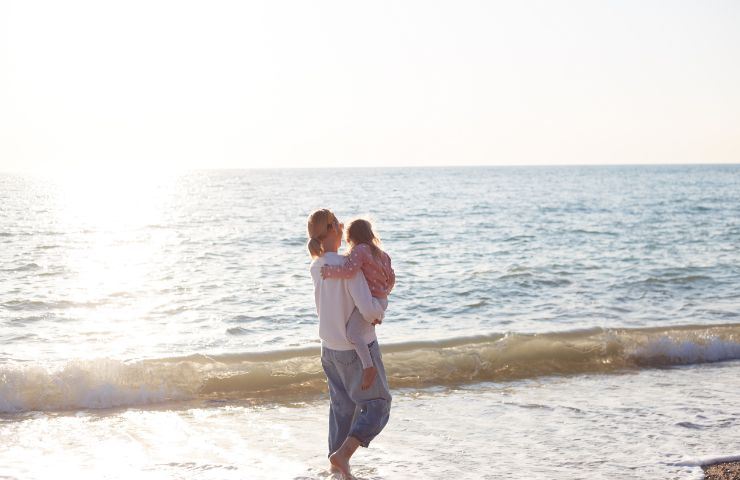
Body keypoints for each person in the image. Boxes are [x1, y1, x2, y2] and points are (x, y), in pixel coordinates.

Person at [307, 208, 392, 477]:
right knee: (379, 404)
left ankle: (337, 468)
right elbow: (367, 310)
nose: (343, 226)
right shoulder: (349, 267)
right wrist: (379, 313)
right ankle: (344, 454)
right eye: (339, 223)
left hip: (328, 350)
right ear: (333, 229)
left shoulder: (317, 266)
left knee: (342, 409)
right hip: (356, 350)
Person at [321, 219, 395, 390]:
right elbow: (391, 279)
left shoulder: (360, 250)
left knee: (353, 334)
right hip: (382, 300)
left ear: (350, 237)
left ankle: (368, 367)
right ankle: (375, 318)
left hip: (371, 301)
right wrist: (384, 294)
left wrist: (329, 272)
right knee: (362, 326)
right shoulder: (383, 254)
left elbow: (349, 271)